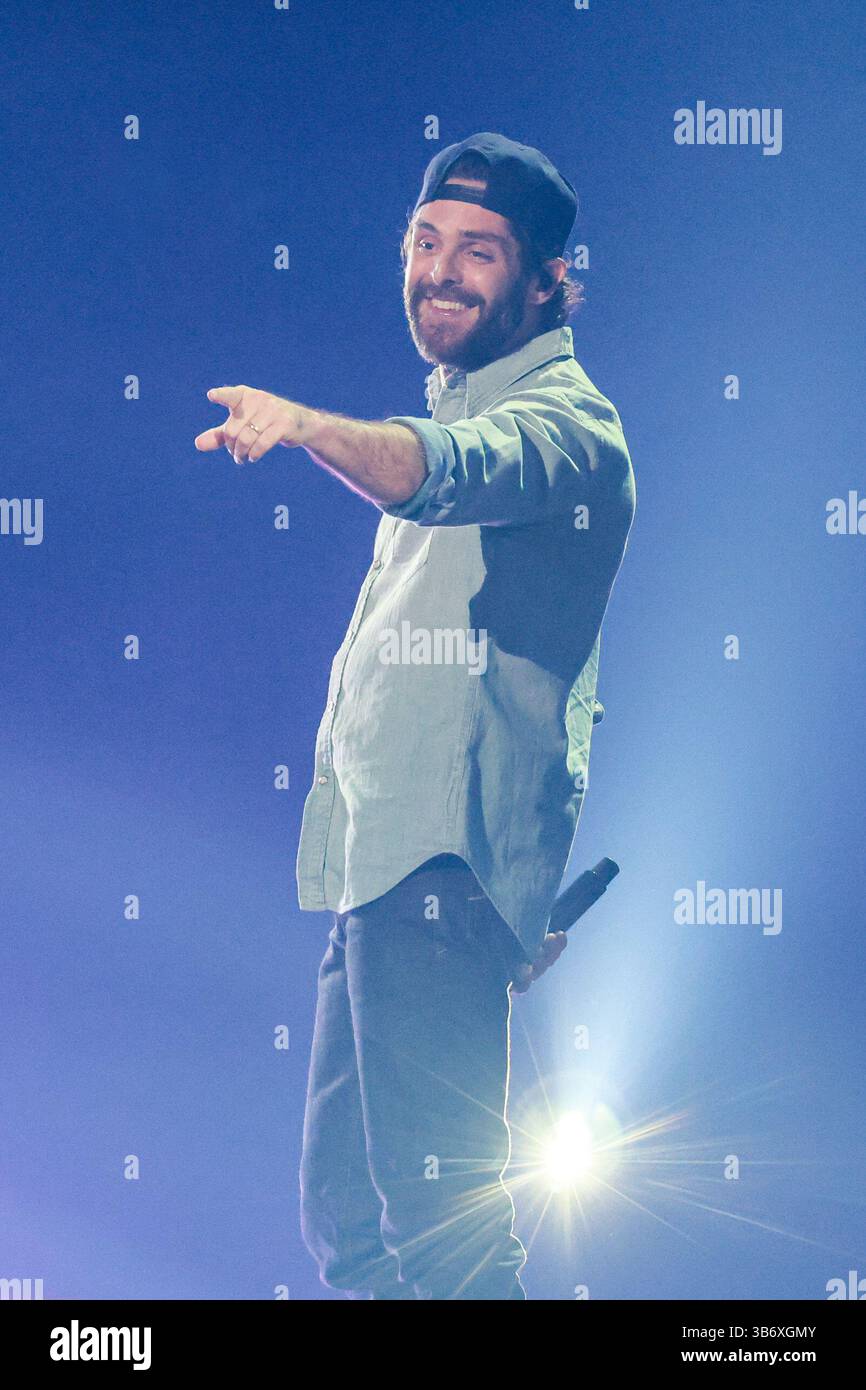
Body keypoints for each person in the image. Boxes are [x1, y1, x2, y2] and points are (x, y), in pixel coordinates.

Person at [194, 132, 636, 1299]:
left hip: (435, 874)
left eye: (477, 251)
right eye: (424, 242)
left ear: (546, 278)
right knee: (347, 1221)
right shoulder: (460, 402)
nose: (438, 270)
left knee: (442, 1229)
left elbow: (446, 468)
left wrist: (303, 426)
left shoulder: (565, 424)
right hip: (383, 872)